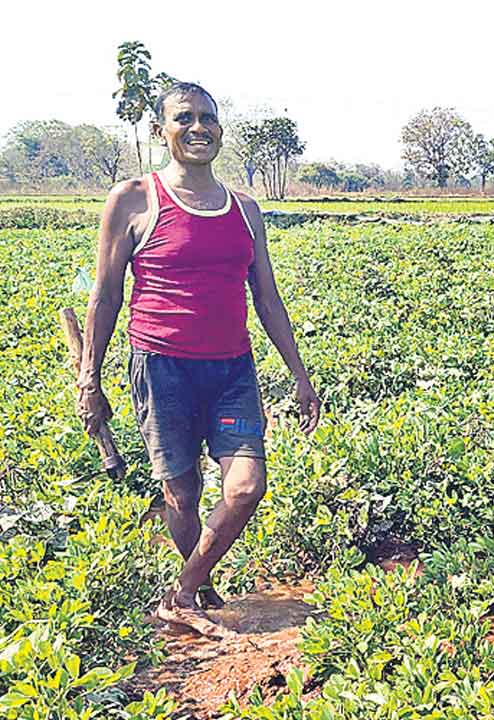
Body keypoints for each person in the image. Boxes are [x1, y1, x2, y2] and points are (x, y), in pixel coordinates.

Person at [77, 82, 320, 638]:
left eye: (207, 118)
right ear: (163, 130)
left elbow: (267, 297)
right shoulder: (135, 199)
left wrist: (301, 377)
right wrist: (90, 378)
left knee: (245, 486)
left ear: (220, 128)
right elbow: (106, 295)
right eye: (183, 118)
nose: (197, 128)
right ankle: (201, 588)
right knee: (181, 492)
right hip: (162, 367)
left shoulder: (245, 210)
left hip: (232, 368)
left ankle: (181, 593)